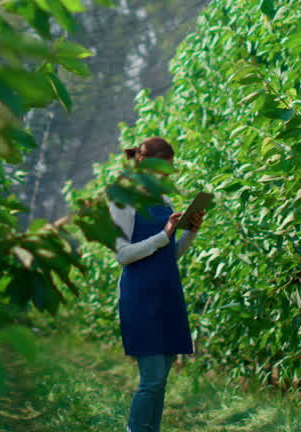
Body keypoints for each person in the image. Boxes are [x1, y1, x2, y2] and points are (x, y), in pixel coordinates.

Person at [107, 136, 205, 432]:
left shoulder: (163, 199)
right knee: (151, 379)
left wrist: (189, 232)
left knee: (161, 381)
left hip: (167, 292)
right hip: (140, 295)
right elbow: (122, 255)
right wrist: (163, 235)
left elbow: (169, 255)